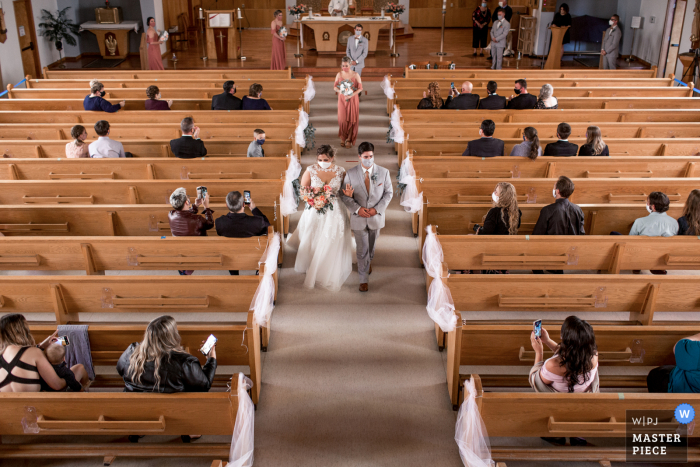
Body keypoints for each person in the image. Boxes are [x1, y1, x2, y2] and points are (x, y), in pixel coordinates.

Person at [287, 145, 353, 292]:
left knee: (332, 236)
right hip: (315, 206)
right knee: (313, 233)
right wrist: (315, 200)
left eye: (325, 159)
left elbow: (343, 191)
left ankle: (327, 263)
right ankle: (311, 260)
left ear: (332, 158)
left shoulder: (341, 171)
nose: (322, 162)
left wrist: (347, 194)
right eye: (320, 159)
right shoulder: (311, 170)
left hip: (335, 207)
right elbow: (303, 191)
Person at [339, 142, 393, 292]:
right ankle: (363, 280)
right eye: (365, 157)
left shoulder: (384, 172)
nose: (368, 159)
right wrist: (357, 209)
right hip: (359, 218)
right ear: (359, 157)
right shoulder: (350, 173)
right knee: (362, 250)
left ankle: (368, 262)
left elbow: (388, 194)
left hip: (376, 217)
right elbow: (345, 196)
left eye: (371, 156)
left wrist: (377, 210)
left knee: (371, 247)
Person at [117, 315, 216, 393]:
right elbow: (203, 386)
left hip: (133, 410)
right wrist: (211, 359)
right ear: (173, 336)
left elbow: (120, 370)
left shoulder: (131, 352)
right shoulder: (185, 362)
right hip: (170, 412)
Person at [0, 313, 87, 392]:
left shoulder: (2, 354)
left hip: (7, 407)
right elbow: (57, 385)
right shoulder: (34, 352)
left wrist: (41, 346)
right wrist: (69, 378)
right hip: (35, 406)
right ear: (22, 332)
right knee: (79, 368)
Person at [532, 176, 585, 274]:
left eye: (554, 187)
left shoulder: (547, 210)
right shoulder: (578, 210)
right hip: (570, 249)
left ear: (557, 191)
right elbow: (581, 233)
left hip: (551, 249)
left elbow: (537, 234)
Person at [215, 191, 271, 275]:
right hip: (253, 257)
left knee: (230, 248)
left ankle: (234, 274)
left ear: (226, 206)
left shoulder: (219, 222)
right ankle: (258, 271)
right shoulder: (257, 222)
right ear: (244, 204)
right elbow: (269, 227)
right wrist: (254, 209)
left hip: (231, 258)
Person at [168, 187, 214, 275]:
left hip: (181, 247)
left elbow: (185, 214)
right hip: (198, 249)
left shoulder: (171, 214)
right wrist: (206, 207)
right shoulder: (198, 219)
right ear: (186, 202)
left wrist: (195, 206)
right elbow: (210, 224)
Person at [334, 57, 363, 149]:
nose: (344, 67)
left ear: (350, 65)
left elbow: (360, 88)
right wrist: (341, 91)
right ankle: (343, 137)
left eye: (346, 66)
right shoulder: (339, 74)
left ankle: (349, 139)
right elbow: (335, 87)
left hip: (352, 99)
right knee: (342, 119)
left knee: (351, 119)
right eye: (343, 66)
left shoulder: (355, 75)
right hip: (342, 99)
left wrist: (351, 95)